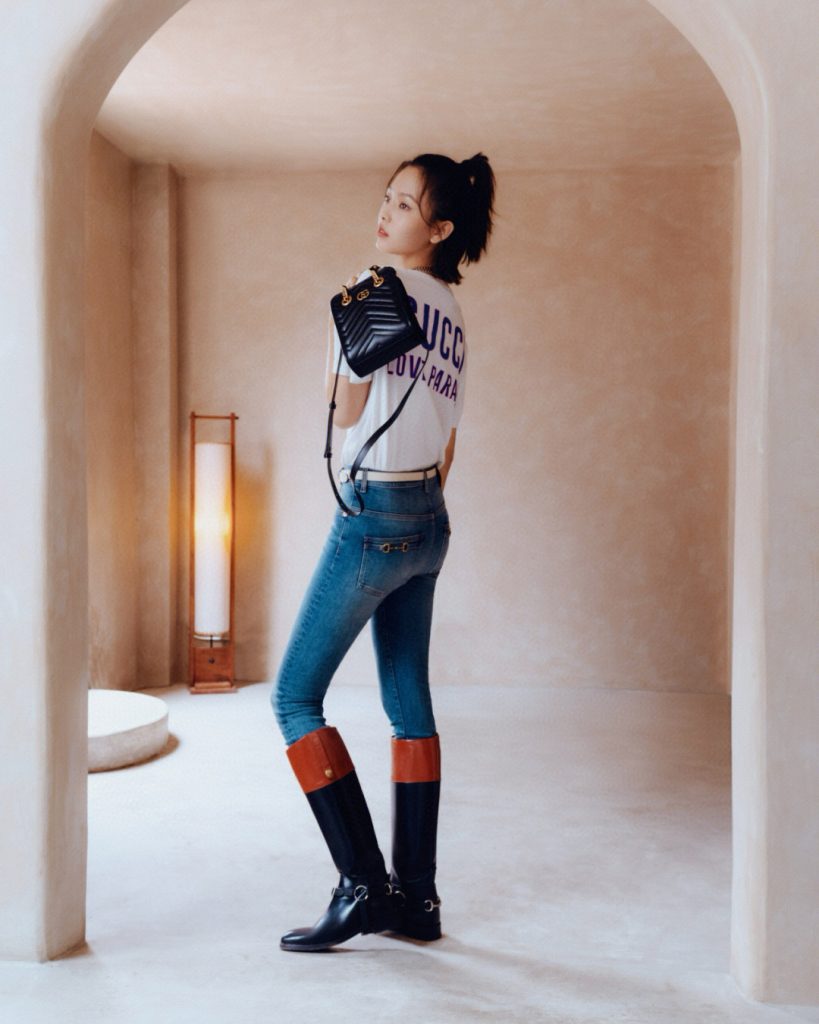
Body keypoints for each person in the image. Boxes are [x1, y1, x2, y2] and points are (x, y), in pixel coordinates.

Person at [271, 152, 496, 952]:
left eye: (404, 204)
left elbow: (345, 414)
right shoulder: (453, 314)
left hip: (373, 512)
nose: (386, 211)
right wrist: (416, 514)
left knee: (294, 697)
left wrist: (338, 334)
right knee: (407, 704)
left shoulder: (373, 286)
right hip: (429, 518)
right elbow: (448, 438)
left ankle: (363, 885)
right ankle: (418, 900)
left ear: (439, 228)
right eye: (388, 197)